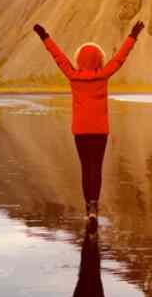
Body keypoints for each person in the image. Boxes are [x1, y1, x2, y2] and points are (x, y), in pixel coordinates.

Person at [33, 20, 144, 220]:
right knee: (96, 168)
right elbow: (120, 58)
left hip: (81, 131)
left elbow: (58, 57)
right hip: (100, 131)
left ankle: (88, 209)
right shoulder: (103, 75)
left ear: (80, 60)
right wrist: (133, 36)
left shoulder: (73, 75)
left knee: (86, 168)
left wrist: (45, 36)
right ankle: (94, 206)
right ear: (99, 59)